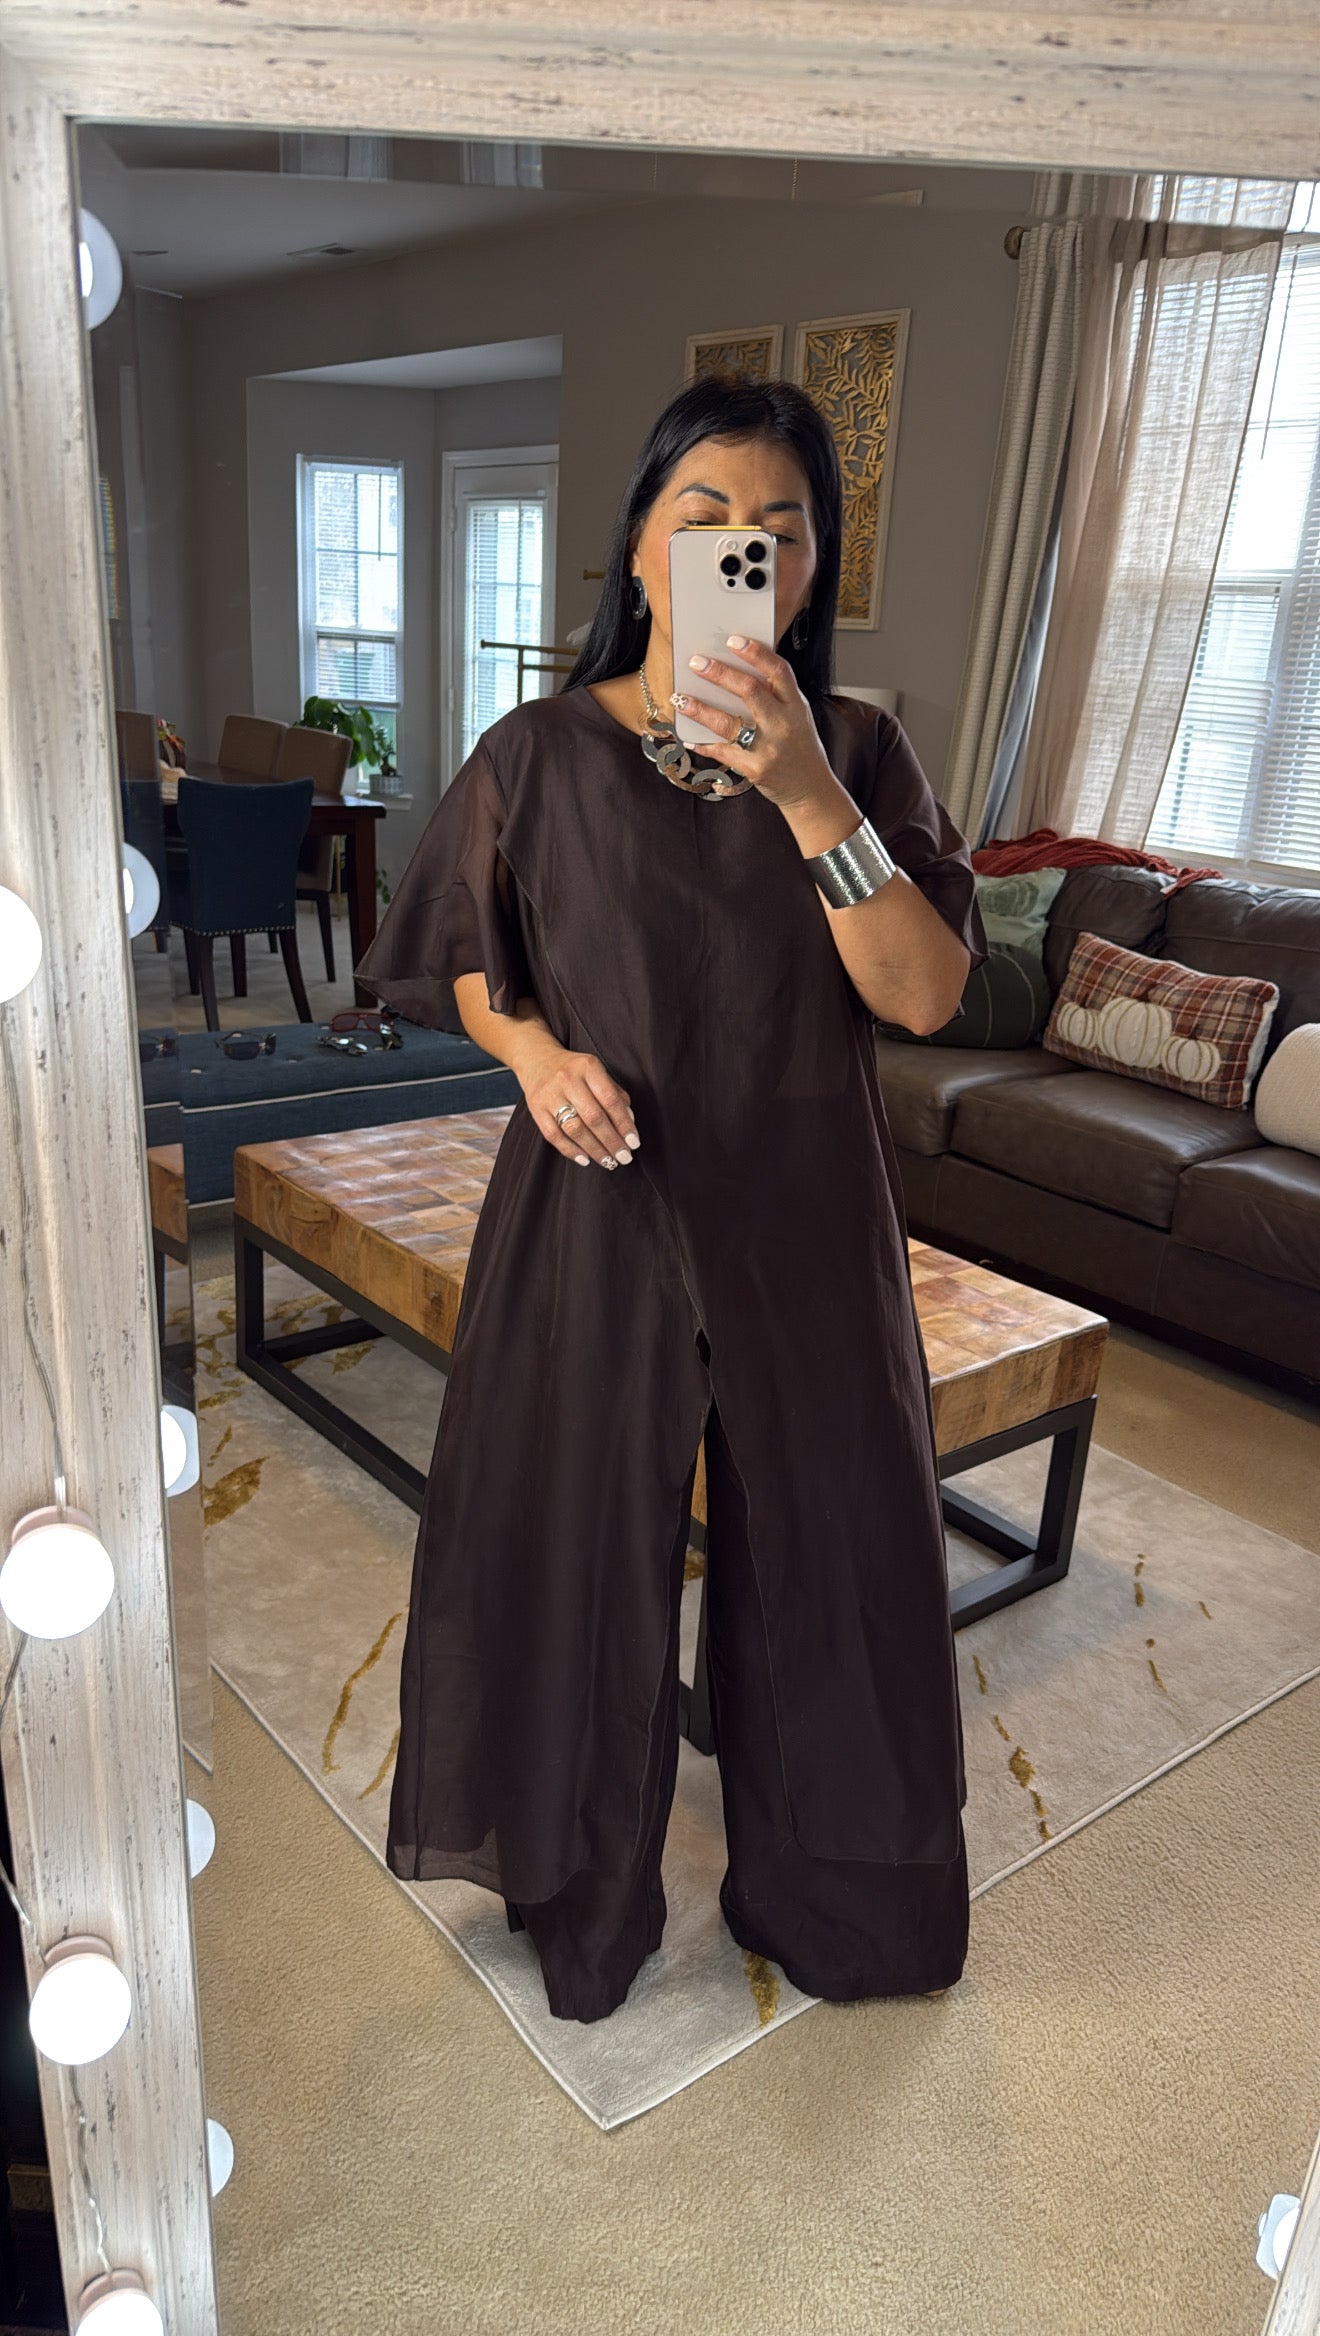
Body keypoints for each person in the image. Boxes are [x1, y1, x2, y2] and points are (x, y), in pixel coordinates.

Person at [354, 372, 990, 2025]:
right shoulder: (537, 752)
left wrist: (804, 792)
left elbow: (924, 991)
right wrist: (531, 1053)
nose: (738, 550)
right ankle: (580, 1889)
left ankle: (842, 1900)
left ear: (811, 573)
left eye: (780, 531)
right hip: (598, 1202)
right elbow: (471, 950)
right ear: (638, 548)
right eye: (703, 518)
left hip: (807, 1212)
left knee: (839, 1548)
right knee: (574, 1541)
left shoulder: (858, 756)